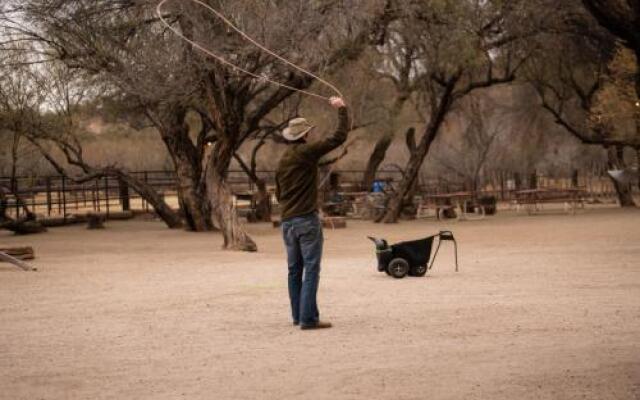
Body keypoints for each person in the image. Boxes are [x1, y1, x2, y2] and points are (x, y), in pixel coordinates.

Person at [275, 96, 349, 330]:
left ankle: (299, 316)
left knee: (294, 270)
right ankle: (308, 319)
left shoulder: (283, 160)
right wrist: (342, 110)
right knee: (311, 268)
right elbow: (338, 138)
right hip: (306, 220)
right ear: (304, 135)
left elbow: (278, 194)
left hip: (287, 223)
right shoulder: (306, 152)